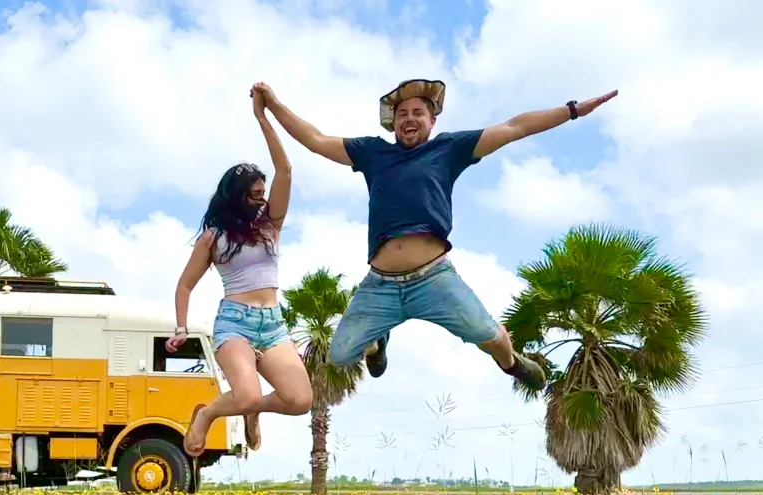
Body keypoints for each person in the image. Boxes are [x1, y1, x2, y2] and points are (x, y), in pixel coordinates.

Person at [253, 79, 618, 391]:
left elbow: (514, 127)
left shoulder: (449, 149)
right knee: (340, 353)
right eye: (402, 115)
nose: (409, 119)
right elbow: (316, 140)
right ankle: (377, 344)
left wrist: (570, 110)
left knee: (490, 337)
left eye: (417, 113)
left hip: (434, 280)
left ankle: (511, 364)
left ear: (431, 121)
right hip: (381, 285)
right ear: (393, 124)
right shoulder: (372, 153)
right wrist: (274, 105)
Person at [167, 88, 312, 458]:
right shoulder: (214, 237)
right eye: (254, 194)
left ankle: (251, 410)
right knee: (245, 395)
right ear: (236, 196)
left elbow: (286, 170)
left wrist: (263, 119)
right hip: (235, 323)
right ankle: (209, 413)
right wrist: (181, 327)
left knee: (300, 400)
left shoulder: (271, 224)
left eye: (264, 193)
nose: (262, 199)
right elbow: (185, 285)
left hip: (274, 324)